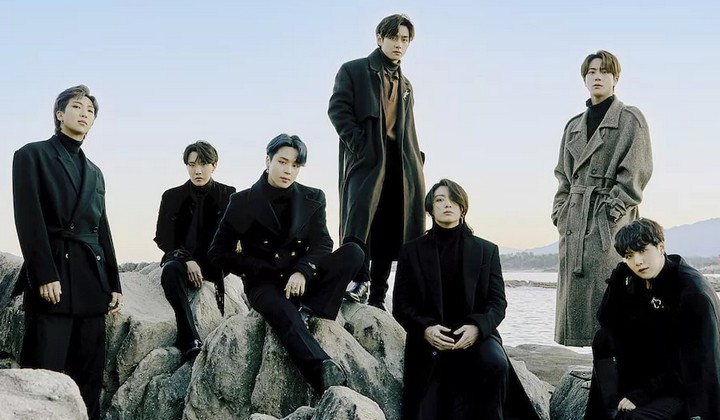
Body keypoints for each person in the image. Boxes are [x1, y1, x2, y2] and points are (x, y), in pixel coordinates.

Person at [209, 133, 364, 393]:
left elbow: (323, 244)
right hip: (264, 284)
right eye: (282, 162)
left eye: (295, 165)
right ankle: (322, 371)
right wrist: (258, 267)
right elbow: (218, 252)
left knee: (354, 252)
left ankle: (309, 308)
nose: (288, 170)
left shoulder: (313, 197)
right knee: (285, 316)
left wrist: (303, 271)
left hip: (303, 280)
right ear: (267, 160)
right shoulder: (241, 202)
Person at [11, 85, 122, 420]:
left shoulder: (95, 172)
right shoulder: (31, 155)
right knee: (43, 372)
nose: (85, 113)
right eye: (77, 106)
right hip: (54, 276)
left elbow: (102, 228)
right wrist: (44, 274)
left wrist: (114, 282)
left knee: (88, 377)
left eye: (90, 110)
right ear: (60, 114)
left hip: (91, 280)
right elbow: (29, 219)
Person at [393, 179, 539, 420]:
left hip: (476, 335)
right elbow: (401, 304)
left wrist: (477, 328)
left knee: (496, 364)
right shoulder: (412, 250)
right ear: (430, 209)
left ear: (462, 208)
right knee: (428, 406)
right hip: (431, 337)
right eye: (440, 200)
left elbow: (498, 303)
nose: (447, 205)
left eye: (453, 200)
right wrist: (426, 329)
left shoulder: (486, 250)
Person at [552, 50, 653, 346]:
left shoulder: (630, 119)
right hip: (575, 222)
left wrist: (611, 213)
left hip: (609, 224)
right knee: (579, 313)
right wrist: (561, 213)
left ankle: (615, 367)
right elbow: (563, 176)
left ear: (615, 78)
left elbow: (637, 172)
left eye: (604, 71)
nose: (597, 77)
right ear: (584, 79)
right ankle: (594, 369)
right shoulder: (573, 126)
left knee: (613, 302)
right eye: (591, 72)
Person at [328, 13, 426, 310]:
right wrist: (360, 146)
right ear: (379, 38)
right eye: (393, 37)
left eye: (405, 39)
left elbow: (408, 128)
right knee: (359, 221)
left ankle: (379, 296)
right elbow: (338, 110)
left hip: (400, 164)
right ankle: (359, 280)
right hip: (367, 160)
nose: (399, 44)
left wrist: (417, 160)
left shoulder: (406, 84)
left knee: (391, 226)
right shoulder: (354, 70)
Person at [585, 218, 720, 420]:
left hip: (688, 387)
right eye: (629, 256)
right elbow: (607, 321)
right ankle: (608, 410)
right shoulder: (642, 277)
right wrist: (617, 278)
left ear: (660, 247)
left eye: (642, 251)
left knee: (633, 418)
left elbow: (696, 366)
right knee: (603, 339)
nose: (637, 261)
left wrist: (641, 396)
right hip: (659, 374)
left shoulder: (692, 294)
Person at [154, 141, 236, 360]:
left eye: (203, 164)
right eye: (191, 165)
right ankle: (189, 339)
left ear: (214, 165)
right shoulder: (171, 196)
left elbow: (234, 235)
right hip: (181, 261)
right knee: (170, 270)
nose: (197, 171)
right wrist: (186, 259)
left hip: (214, 263)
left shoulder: (229, 195)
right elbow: (162, 237)